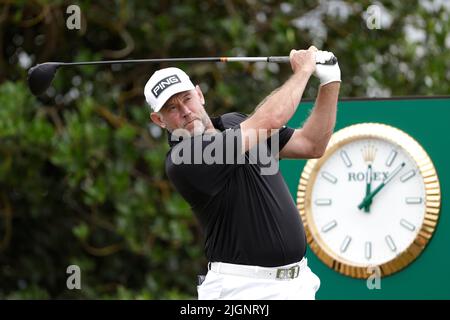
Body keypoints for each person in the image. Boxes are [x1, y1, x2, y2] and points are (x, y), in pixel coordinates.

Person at [144, 46, 340, 300]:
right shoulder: (184, 158)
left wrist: (330, 80)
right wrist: (304, 70)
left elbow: (312, 144)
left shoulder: (234, 122)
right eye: (171, 108)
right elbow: (270, 120)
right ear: (159, 121)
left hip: (298, 284)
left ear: (200, 95)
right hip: (242, 290)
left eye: (186, 98)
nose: (184, 111)